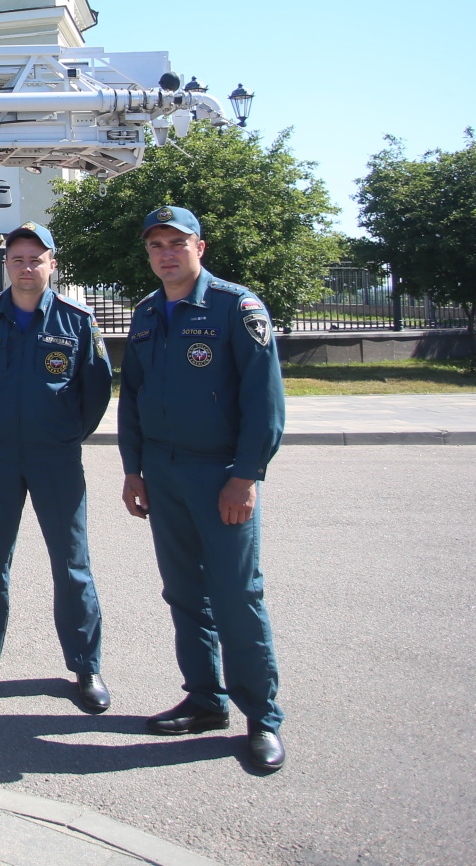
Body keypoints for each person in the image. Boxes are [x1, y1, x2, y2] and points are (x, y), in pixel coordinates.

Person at [118, 205, 288, 773]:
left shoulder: (235, 307)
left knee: (238, 596)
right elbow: (134, 399)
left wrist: (247, 475)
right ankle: (205, 698)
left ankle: (262, 717)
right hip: (162, 474)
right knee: (184, 593)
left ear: (200, 247)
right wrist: (133, 468)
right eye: (156, 244)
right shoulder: (145, 314)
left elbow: (263, 401)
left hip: (219, 474)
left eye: (177, 242)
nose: (166, 253)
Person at [0, 221, 114, 713]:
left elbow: (96, 390)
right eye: (17, 259)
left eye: (35, 259)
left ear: (52, 265)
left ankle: (86, 666)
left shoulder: (77, 320)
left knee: (72, 564)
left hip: (56, 457)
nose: (25, 267)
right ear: (8, 265)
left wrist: (64, 433)